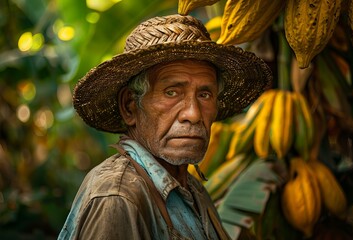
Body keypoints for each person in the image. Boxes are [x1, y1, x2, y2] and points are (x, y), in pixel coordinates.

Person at [58, 14, 272, 240]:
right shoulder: (118, 195)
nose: (193, 114)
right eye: (172, 92)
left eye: (205, 94)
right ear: (130, 106)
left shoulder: (192, 190)